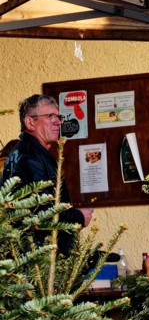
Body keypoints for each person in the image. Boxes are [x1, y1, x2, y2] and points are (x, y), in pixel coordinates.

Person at [0, 94, 92, 254]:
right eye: (50, 116)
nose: (58, 121)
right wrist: (78, 216)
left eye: (58, 116)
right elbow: (43, 210)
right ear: (30, 122)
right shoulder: (29, 157)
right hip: (37, 261)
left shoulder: (37, 153)